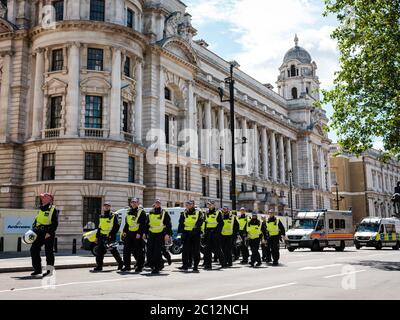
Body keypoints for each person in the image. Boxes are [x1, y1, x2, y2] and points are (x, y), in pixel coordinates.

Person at [30, 193, 59, 277]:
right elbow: (36, 221)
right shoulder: (41, 209)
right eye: (42, 197)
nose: (43, 198)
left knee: (49, 252)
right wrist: (33, 229)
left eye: (45, 196)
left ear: (50, 199)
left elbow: (55, 223)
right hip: (38, 233)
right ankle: (37, 269)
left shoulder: (53, 209)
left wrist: (49, 233)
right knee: (34, 250)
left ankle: (49, 271)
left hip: (48, 233)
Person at [93, 202, 123, 272]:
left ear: (110, 207)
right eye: (105, 206)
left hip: (110, 237)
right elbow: (99, 227)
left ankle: (121, 264)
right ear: (103, 207)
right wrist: (97, 237)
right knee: (99, 252)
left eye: (108, 206)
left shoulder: (114, 215)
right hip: (101, 237)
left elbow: (116, 226)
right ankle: (99, 266)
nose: (106, 207)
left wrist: (111, 235)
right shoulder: (101, 216)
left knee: (114, 251)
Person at [145, 199, 172, 274]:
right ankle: (153, 264)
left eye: (158, 203)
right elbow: (147, 223)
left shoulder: (164, 212)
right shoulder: (150, 212)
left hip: (160, 234)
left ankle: (156, 267)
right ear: (154, 204)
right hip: (151, 234)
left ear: (160, 204)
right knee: (149, 251)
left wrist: (167, 234)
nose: (157, 204)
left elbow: (168, 224)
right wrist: (145, 233)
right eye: (156, 203)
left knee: (157, 252)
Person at [121, 198, 146, 272]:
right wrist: (124, 231)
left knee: (138, 251)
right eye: (132, 202)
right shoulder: (128, 211)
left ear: (138, 203)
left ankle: (139, 266)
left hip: (137, 234)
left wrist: (139, 233)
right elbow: (127, 223)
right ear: (130, 204)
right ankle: (127, 266)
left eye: (135, 202)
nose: (134, 203)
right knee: (126, 250)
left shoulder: (141, 212)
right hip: (129, 233)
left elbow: (142, 224)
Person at [178, 200, 203, 272]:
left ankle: (195, 266)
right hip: (186, 234)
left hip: (195, 234)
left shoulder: (198, 212)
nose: (187, 205)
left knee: (196, 251)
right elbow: (181, 223)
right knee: (185, 250)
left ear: (193, 205)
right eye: (186, 204)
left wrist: (194, 230)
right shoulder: (184, 213)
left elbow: (200, 222)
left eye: (189, 204)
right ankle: (185, 265)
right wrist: (180, 234)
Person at [203, 200, 225, 270]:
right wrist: (205, 232)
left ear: (213, 205)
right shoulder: (206, 213)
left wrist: (217, 232)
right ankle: (208, 264)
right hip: (208, 233)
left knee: (217, 249)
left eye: (210, 204)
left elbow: (221, 223)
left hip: (215, 233)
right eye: (208, 204)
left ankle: (223, 263)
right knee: (207, 250)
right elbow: (205, 223)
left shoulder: (218, 212)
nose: (208, 205)